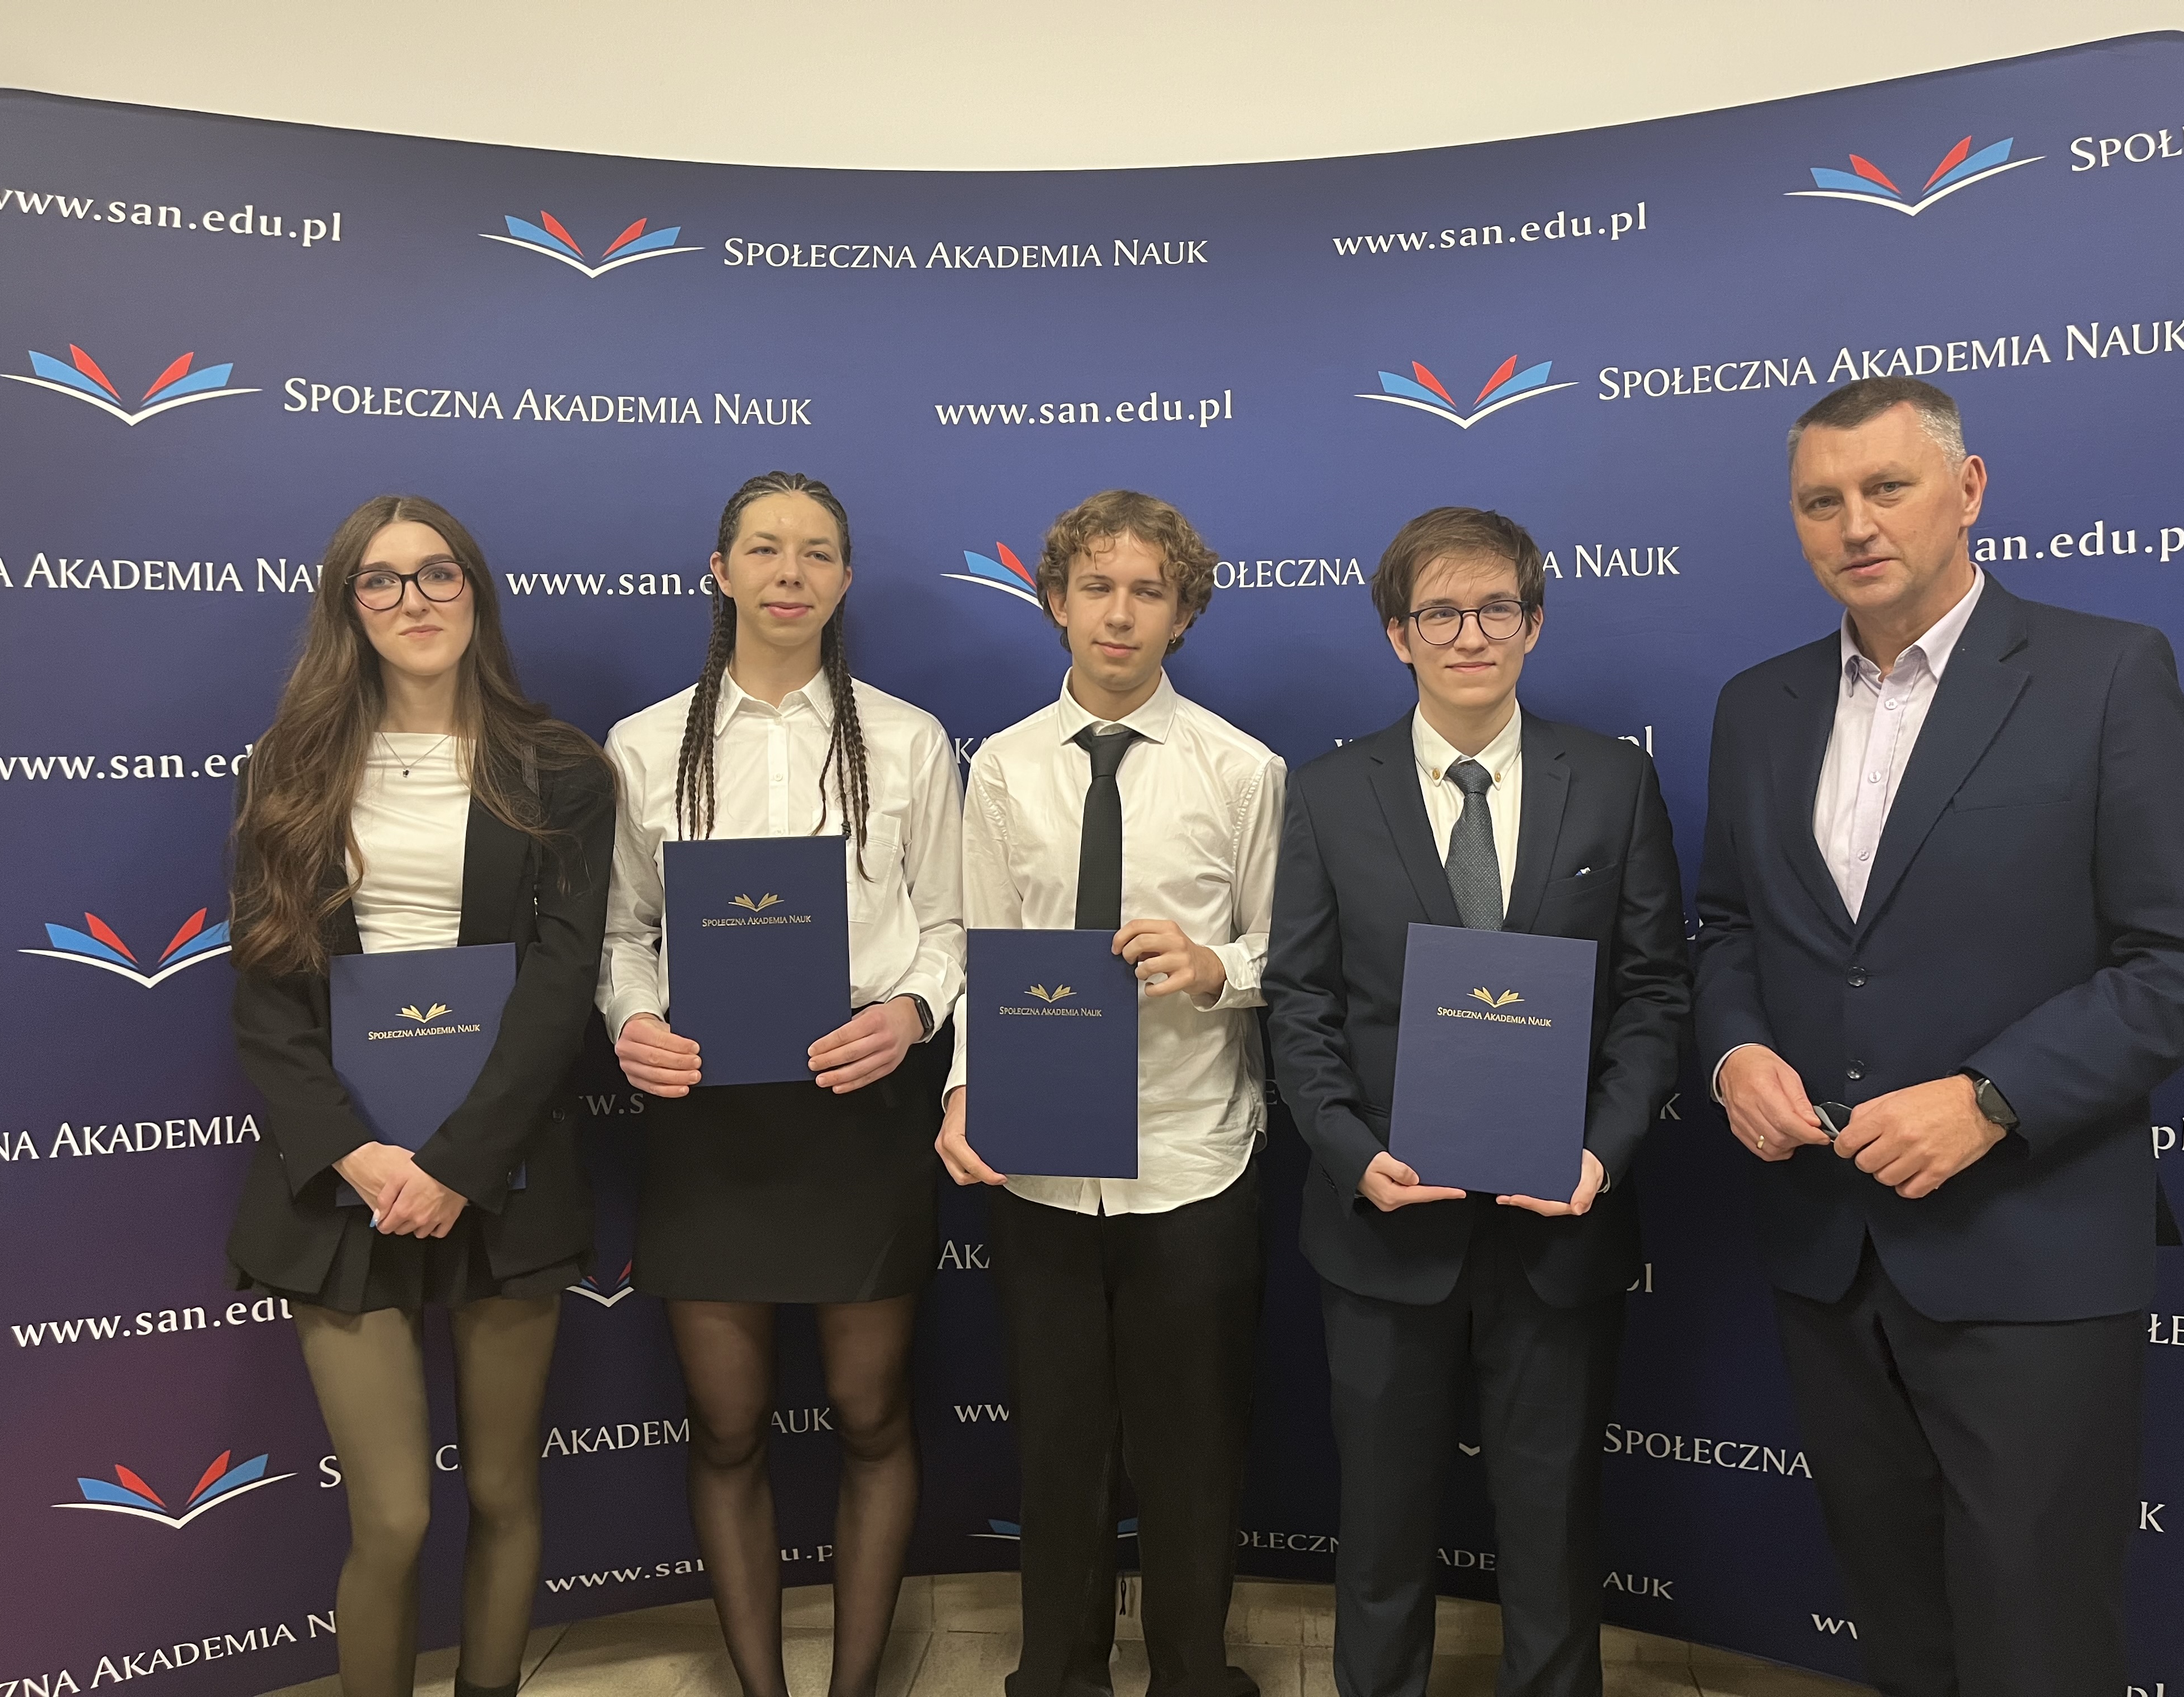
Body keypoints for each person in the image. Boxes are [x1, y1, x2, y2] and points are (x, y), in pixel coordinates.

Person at [1694, 375, 2184, 1697]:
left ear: (1969, 489)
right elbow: (1725, 929)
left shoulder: (2107, 674)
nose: (1855, 525)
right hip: (1832, 1250)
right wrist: (1734, 1052)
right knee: (1901, 1626)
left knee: (2036, 1639)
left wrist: (1993, 1097)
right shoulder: (1758, 706)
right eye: (1822, 501)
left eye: (1887, 488)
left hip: (2031, 1250)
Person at [1264, 506, 1688, 1697]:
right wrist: (1351, 1154)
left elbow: (1656, 992)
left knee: (1553, 1529)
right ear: (1397, 635)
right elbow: (1299, 1000)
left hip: (1562, 1226)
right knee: (1381, 1528)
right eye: (1439, 613)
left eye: (1496, 608)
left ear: (1534, 623)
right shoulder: (1329, 793)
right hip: (1384, 1223)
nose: (1470, 635)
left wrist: (1601, 1153)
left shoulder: (1613, 782)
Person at [226, 494, 614, 1697]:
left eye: (438, 574)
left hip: (502, 1168)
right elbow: (267, 1000)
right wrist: (361, 1155)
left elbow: (562, 984)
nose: (414, 600)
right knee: (392, 1517)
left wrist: (457, 1162)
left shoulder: (560, 770)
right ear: (349, 608)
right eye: (383, 580)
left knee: (503, 1491)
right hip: (344, 1180)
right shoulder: (286, 772)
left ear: (474, 593)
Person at [599, 471, 963, 1697]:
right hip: (705, 1119)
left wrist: (911, 1014)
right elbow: (621, 934)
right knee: (726, 1426)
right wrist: (633, 1019)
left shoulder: (908, 741)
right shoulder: (644, 745)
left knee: (871, 1414)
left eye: (815, 552)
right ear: (721, 572)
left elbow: (949, 927)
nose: (789, 572)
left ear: (845, 580)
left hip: (861, 1112)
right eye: (764, 549)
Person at [935, 489, 1283, 1697]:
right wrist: (966, 1090)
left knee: (1191, 1453)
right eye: (1097, 587)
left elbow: (1290, 948)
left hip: (1193, 1157)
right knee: (1058, 1447)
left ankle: (1192, 1674)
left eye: (1148, 591)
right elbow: (980, 949)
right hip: (1039, 1163)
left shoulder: (1242, 771)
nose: (1120, 614)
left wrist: (1216, 967)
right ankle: (1057, 1675)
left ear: (1183, 614)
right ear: (1056, 602)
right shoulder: (1003, 769)